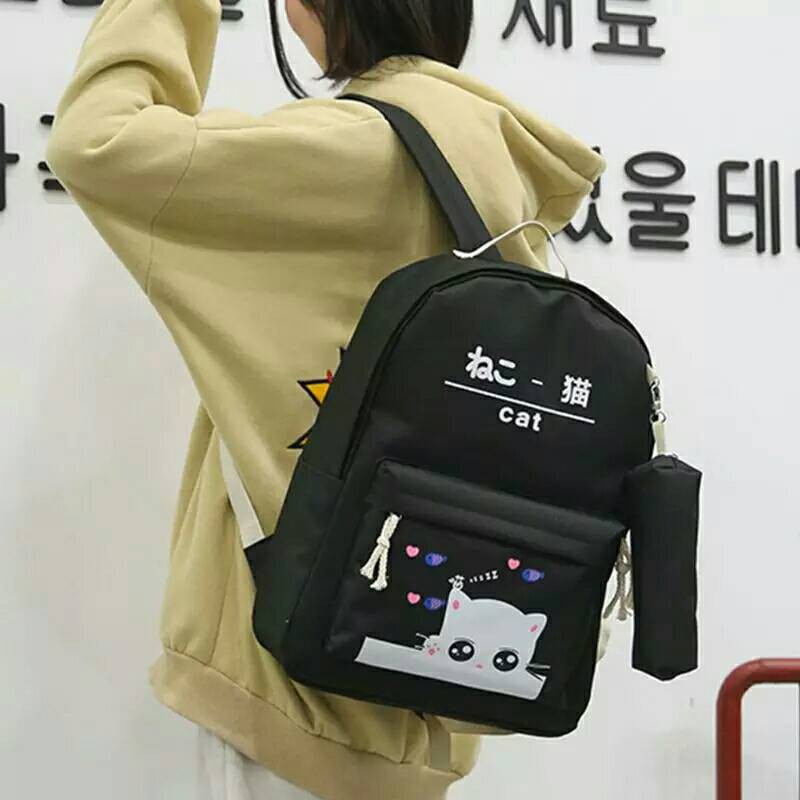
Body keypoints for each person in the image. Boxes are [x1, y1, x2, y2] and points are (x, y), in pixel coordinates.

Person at [47, 1, 606, 798]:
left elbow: (97, 142)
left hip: (293, 695)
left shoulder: (344, 151)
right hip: (422, 683)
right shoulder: (497, 164)